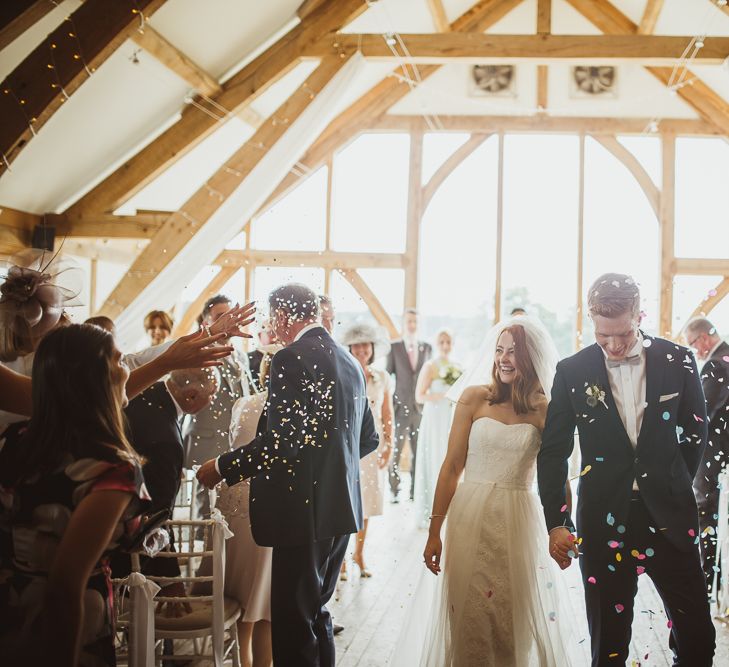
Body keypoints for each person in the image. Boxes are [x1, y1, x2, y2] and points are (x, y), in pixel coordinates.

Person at [197, 283, 379, 667]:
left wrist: (221, 467)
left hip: (302, 514)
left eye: (269, 316)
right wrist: (328, 469)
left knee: (293, 625)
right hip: (341, 510)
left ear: (281, 315)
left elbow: (280, 444)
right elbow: (368, 439)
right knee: (316, 614)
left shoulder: (292, 358)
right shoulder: (349, 362)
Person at [538, 273, 715, 666]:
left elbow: (695, 434)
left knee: (699, 641)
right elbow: (553, 451)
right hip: (603, 520)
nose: (614, 346)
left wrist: (668, 480)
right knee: (610, 647)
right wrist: (556, 521)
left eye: (622, 334)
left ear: (638, 314)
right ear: (591, 321)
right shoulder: (572, 371)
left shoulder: (679, 360)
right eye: (604, 337)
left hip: (670, 516)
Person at [398, 316, 575, 666]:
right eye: (499, 350)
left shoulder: (545, 409)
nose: (504, 359)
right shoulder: (474, 398)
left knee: (511, 620)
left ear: (532, 358)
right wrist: (434, 531)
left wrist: (563, 528)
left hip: (518, 522)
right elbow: (450, 468)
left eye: (514, 352)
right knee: (469, 618)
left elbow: (558, 476)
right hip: (469, 517)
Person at [0, 324, 151, 666]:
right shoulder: (110, 468)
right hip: (70, 628)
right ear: (97, 375)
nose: (125, 367)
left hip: (10, 612)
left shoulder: (13, 441)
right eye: (117, 358)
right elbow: (65, 588)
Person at [218, 359, 276, 667]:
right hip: (267, 509)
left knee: (240, 593)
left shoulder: (242, 403)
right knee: (266, 599)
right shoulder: (289, 411)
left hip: (233, 508)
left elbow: (233, 447)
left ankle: (243, 660)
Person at [184, 294, 252, 532]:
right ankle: (204, 559)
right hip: (207, 438)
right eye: (219, 317)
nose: (228, 321)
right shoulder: (198, 352)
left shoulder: (241, 356)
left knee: (227, 505)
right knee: (206, 506)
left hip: (232, 442)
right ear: (206, 322)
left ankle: (221, 557)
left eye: (230, 315)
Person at [340, 323, 393, 578]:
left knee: (367, 502)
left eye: (366, 345)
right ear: (350, 348)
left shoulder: (381, 377)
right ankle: (339, 560)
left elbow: (387, 413)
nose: (362, 349)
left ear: (372, 348)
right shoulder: (343, 372)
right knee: (345, 500)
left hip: (374, 445)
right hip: (348, 444)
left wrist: (389, 445)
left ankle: (359, 555)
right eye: (357, 345)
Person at [685, 316, 729, 596]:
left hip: (714, 457)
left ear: (703, 338)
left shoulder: (715, 365)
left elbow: (702, 415)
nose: (694, 350)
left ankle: (708, 580)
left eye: (692, 343)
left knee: (706, 515)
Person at [413, 329, 458, 528]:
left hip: (450, 416)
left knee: (448, 457)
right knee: (434, 458)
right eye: (442, 341)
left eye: (448, 341)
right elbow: (419, 396)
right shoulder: (430, 366)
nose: (445, 345)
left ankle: (450, 509)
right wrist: (441, 396)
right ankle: (431, 510)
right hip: (434, 418)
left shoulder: (457, 367)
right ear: (437, 343)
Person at [387, 309, 432, 502]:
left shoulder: (427, 348)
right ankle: (395, 491)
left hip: (420, 409)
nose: (412, 325)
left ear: (418, 323)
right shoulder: (394, 347)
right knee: (395, 450)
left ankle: (414, 491)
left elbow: (430, 376)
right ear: (404, 323)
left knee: (418, 451)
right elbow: (388, 376)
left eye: (415, 321)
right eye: (409, 322)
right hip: (400, 407)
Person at [247, 318, 280, 392]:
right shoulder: (247, 359)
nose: (275, 337)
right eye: (271, 333)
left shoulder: (284, 357)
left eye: (277, 332)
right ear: (259, 335)